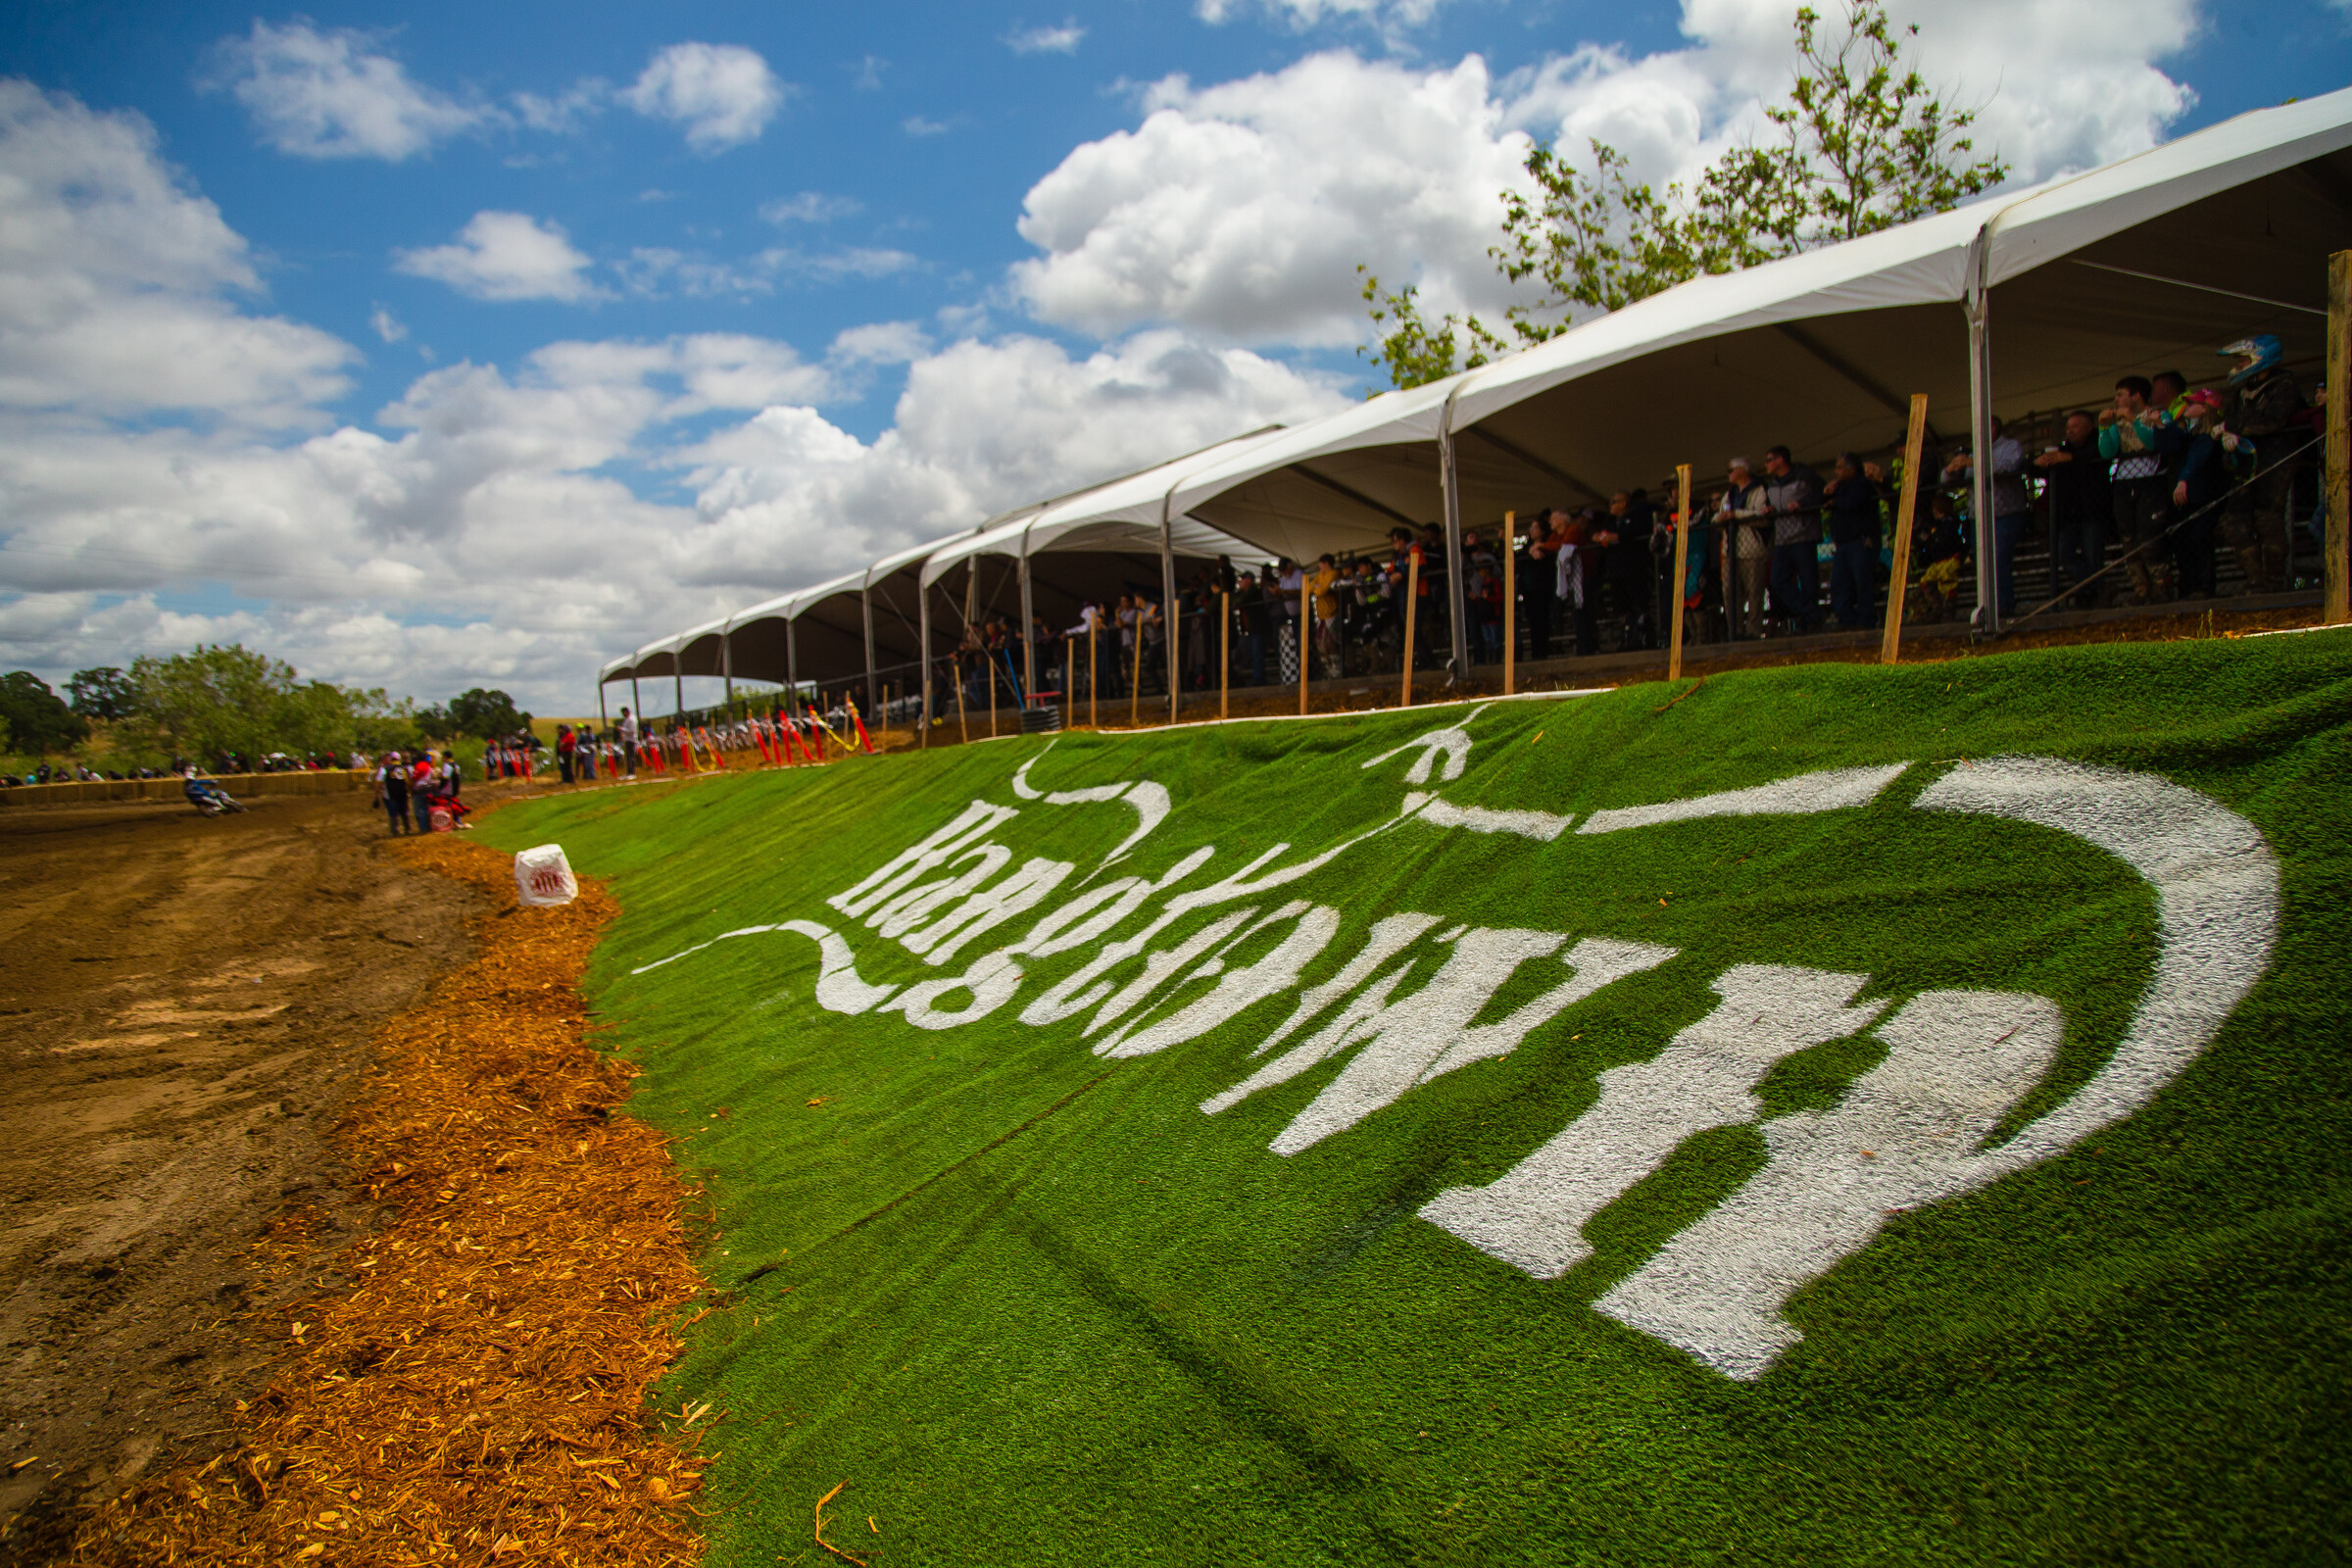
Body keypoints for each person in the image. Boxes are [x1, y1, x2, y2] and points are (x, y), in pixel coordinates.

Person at [2219, 333, 2306, 593]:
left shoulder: (2284, 384)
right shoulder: (2240, 393)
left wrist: (2236, 428)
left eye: (2243, 361)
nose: (2238, 366)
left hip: (2276, 460)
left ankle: (2273, 581)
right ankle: (2255, 578)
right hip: (2246, 463)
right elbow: (2231, 420)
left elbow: (2274, 420)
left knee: (2269, 519)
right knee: (2233, 521)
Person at [2099, 375, 2177, 604]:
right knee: (2128, 537)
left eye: (2121, 394)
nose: (2116, 400)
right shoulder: (2117, 420)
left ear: (2136, 396)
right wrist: (2105, 427)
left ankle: (2162, 587)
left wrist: (2133, 421)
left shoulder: (2158, 415)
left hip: (2151, 481)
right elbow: (2107, 451)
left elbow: (2153, 443)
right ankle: (2140, 588)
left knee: (2150, 535)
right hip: (2124, 482)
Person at [1941, 417, 2030, 617]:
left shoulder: (2010, 446)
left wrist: (1977, 462)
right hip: (1977, 517)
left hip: (2004, 514)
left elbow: (2010, 465)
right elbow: (1947, 481)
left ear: (1993, 427)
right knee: (1982, 564)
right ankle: (1987, 606)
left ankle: (2004, 606)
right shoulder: (1972, 453)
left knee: (1999, 559)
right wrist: (1950, 470)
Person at [2035, 411, 2110, 610]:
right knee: (2063, 554)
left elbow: (2101, 454)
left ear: (2088, 427)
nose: (2070, 431)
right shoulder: (2062, 449)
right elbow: (2035, 468)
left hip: (2093, 511)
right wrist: (2038, 462)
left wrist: (2070, 458)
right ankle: (2098, 587)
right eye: (2068, 427)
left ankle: (2092, 595)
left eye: (2075, 426)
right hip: (2069, 514)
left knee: (2093, 556)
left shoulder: (2099, 443)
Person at [2170, 387, 2230, 599]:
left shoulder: (2210, 436)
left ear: (2205, 409)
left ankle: (2203, 586)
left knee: (2200, 538)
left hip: (2205, 496)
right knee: (2182, 540)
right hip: (2187, 499)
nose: (2187, 407)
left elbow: (2199, 460)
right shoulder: (2187, 435)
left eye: (2193, 403)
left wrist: (2184, 480)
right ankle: (2188, 585)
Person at [1761, 446, 1825, 632]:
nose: (1766, 465)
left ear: (1780, 460)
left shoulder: (1805, 477)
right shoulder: (1771, 485)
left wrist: (1803, 505)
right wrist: (1770, 510)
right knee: (1778, 581)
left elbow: (1824, 495)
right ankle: (1811, 613)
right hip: (1782, 539)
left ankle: (1809, 622)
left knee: (1808, 581)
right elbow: (1772, 504)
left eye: (1768, 460)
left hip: (1803, 536)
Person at [1823, 453, 1881, 630]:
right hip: (1842, 544)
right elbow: (1823, 503)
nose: (1836, 472)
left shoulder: (1862, 484)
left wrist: (1835, 501)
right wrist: (1827, 494)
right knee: (1839, 583)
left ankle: (1866, 619)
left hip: (1860, 542)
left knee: (1863, 581)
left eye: (1840, 467)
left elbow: (1852, 502)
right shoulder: (1838, 487)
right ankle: (1846, 619)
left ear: (1851, 468)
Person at [1715, 459, 1771, 638]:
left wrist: (1735, 515)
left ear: (1743, 470)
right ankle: (1735, 630)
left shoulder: (1759, 490)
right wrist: (1721, 518)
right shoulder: (1729, 494)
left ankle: (1753, 631)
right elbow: (1718, 516)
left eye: (1731, 469)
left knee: (1755, 592)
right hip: (1731, 552)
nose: (1728, 473)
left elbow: (1762, 515)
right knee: (1730, 592)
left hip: (1752, 550)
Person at [1519, 513, 1557, 662]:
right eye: (1531, 527)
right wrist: (1530, 551)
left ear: (1542, 531)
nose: (1532, 530)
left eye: (1535, 527)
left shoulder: (1547, 546)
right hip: (1529, 590)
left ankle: (1542, 651)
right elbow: (1519, 558)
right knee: (1533, 622)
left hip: (1542, 589)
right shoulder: (1526, 548)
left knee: (1543, 621)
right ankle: (1536, 652)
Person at [372, 750, 411, 835]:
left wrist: (376, 795)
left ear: (390, 759)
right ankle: (407, 829)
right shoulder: (405, 769)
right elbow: (408, 783)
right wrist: (408, 793)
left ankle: (395, 831)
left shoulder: (385, 769)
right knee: (404, 812)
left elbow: (378, 782)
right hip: (402, 795)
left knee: (393, 814)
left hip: (390, 795)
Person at [617, 706, 640, 777]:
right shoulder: (626, 719)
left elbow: (631, 731)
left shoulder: (632, 719)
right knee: (627, 757)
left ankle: (632, 773)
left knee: (631, 756)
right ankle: (628, 772)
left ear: (626, 712)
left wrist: (621, 729)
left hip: (631, 740)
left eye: (623, 713)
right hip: (626, 739)